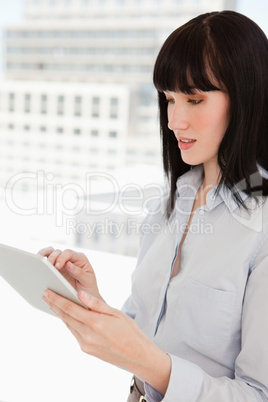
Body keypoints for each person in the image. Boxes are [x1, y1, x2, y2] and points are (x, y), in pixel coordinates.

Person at [40, 10, 268, 401]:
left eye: (195, 99)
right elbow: (147, 336)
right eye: (169, 99)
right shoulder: (172, 201)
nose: (175, 120)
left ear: (247, 99)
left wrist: (151, 365)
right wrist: (92, 301)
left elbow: (257, 394)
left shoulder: (259, 230)